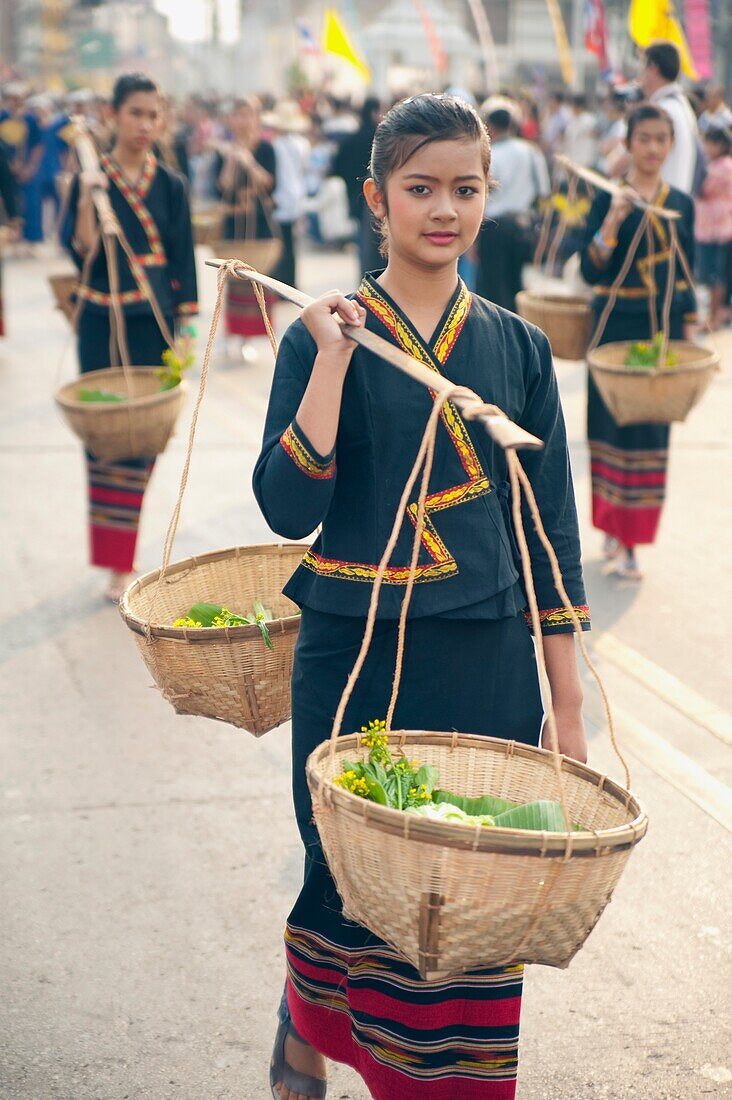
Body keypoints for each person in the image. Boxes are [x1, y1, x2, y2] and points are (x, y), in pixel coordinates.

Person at [254, 92, 590, 1100]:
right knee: (350, 879)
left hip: (488, 660)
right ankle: (309, 1025)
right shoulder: (325, 335)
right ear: (375, 198)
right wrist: (329, 358)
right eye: (421, 188)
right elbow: (285, 508)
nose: (444, 209)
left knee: (476, 891)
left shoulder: (519, 348)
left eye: (466, 188)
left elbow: (552, 538)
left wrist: (566, 708)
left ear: (488, 195)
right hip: (352, 656)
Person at [62, 72, 198, 602]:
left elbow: (183, 262)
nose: (146, 124)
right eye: (136, 113)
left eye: (154, 114)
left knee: (144, 440)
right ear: (114, 115)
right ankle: (117, 561)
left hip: (154, 324)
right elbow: (82, 249)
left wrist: (186, 327)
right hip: (100, 324)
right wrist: (88, 198)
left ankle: (126, 548)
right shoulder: (90, 176)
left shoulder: (171, 185)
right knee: (106, 439)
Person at [580, 104, 696, 580]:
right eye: (643, 138)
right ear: (627, 143)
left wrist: (688, 335)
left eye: (660, 139)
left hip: (657, 334)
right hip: (611, 328)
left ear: (670, 145)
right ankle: (612, 528)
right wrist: (611, 222)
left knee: (649, 435)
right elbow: (589, 268)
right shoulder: (607, 195)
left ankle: (632, 542)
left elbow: (686, 278)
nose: (652, 148)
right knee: (607, 431)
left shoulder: (680, 204)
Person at [212, 97, 277, 360]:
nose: (242, 121)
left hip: (260, 225)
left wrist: (248, 160)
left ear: (256, 118)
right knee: (234, 283)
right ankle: (233, 333)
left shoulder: (267, 150)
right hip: (233, 227)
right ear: (230, 120)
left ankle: (251, 336)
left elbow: (269, 182)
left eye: (247, 115)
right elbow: (222, 187)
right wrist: (231, 159)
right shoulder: (223, 152)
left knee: (258, 284)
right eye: (237, 115)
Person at [477, 106, 549, 310]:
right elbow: (543, 192)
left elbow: (482, 196)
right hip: (524, 225)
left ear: (489, 126)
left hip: (494, 228)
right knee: (519, 286)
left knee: (494, 289)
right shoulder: (531, 151)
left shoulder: (491, 154)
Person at [639, 40, 698, 193]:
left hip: (658, 205)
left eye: (643, 69)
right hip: (675, 202)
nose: (641, 79)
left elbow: (631, 160)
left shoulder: (660, 112)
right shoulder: (682, 106)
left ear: (653, 69)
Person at [332, 96, 382, 273]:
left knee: (364, 243)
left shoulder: (351, 139)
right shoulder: (381, 139)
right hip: (379, 197)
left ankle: (366, 281)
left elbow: (336, 167)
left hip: (356, 197)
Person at [264, 99, 311, 288]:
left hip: (281, 196)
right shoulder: (302, 144)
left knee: (281, 243)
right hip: (297, 195)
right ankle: (291, 281)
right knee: (292, 244)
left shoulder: (276, 145)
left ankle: (282, 281)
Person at [695, 127, 732, 329]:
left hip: (719, 231)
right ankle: (715, 314)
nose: (707, 148)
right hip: (710, 230)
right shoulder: (717, 165)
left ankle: (715, 317)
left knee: (716, 275)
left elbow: (702, 187)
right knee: (713, 276)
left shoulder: (723, 167)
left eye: (710, 143)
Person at [563, 93, 598, 168]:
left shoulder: (589, 121)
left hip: (585, 164)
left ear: (579, 107)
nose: (571, 109)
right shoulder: (572, 120)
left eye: (573, 106)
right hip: (572, 162)